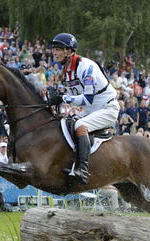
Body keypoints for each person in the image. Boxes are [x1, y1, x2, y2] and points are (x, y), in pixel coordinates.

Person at [47, 33, 119, 184]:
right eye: (54, 49)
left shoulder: (86, 67)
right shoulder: (66, 71)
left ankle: (83, 170)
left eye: (58, 49)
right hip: (91, 110)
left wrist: (63, 97)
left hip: (107, 108)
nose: (54, 52)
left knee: (80, 126)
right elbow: (76, 97)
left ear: (69, 51)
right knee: (64, 124)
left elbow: (87, 99)